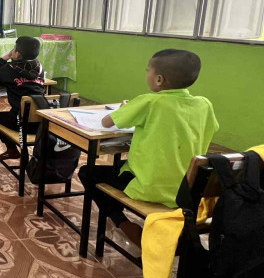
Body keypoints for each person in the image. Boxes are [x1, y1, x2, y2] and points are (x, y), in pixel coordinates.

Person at [79, 49, 218, 246]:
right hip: (185, 190)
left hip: (147, 186)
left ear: (159, 79)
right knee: (119, 169)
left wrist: (124, 109)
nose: (147, 74)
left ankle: (123, 223)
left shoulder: (149, 101)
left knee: (87, 173)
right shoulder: (205, 105)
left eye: (148, 71)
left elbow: (107, 122)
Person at [0, 36, 46, 162]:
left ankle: (12, 149)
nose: (12, 51)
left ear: (18, 54)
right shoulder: (39, 67)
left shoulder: (9, 68)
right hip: (42, 122)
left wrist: (3, 59)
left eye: (14, 49)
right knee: (15, 111)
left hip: (22, 123)